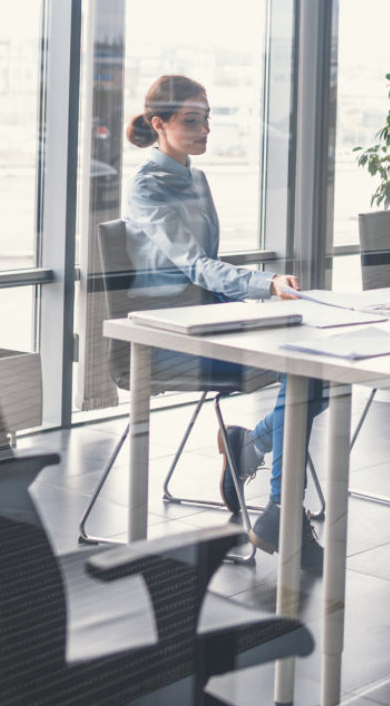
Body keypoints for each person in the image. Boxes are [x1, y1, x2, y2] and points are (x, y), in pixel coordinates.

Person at [123, 74, 326, 572]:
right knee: (303, 371)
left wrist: (257, 298)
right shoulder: (147, 188)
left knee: (318, 365)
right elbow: (195, 264)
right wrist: (265, 284)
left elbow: (207, 268)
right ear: (159, 124)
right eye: (192, 120)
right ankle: (279, 505)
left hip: (208, 320)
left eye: (208, 118)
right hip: (167, 337)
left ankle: (253, 450)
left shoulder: (195, 177)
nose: (206, 129)